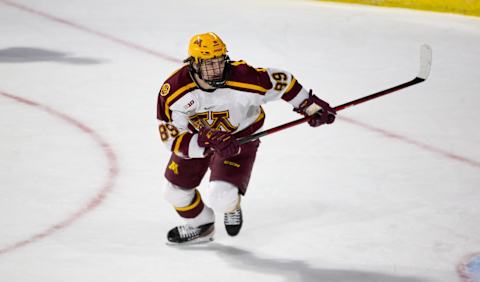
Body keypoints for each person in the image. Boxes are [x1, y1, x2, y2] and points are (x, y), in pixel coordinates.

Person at [157, 32, 336, 244]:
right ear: (193, 64)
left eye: (219, 61)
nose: (216, 69)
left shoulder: (245, 77)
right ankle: (201, 225)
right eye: (208, 64)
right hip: (199, 139)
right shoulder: (174, 91)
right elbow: (172, 137)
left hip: (240, 138)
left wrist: (309, 105)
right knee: (174, 192)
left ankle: (232, 205)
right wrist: (204, 142)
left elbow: (283, 81)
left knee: (220, 198)